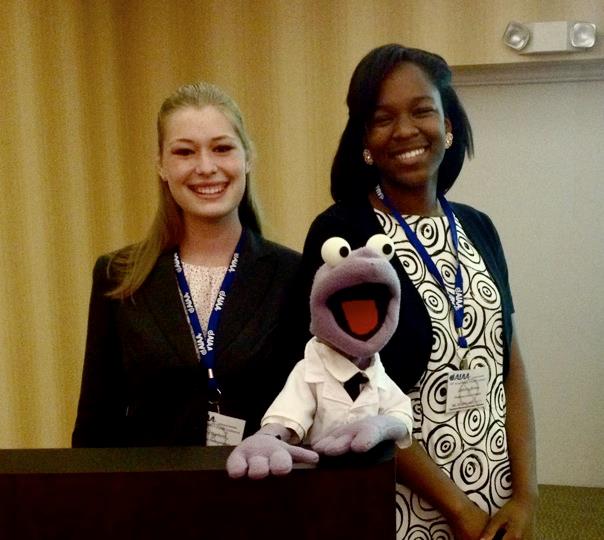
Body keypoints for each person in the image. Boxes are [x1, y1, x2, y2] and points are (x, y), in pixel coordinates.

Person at [297, 44, 537, 539]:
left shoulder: (479, 227)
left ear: (449, 126)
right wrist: (456, 509)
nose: (405, 129)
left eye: (422, 110)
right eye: (383, 118)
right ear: (365, 139)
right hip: (398, 504)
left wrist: (526, 496)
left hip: (495, 500)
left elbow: (509, 365)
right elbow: (351, 395)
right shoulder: (342, 236)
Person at [72, 82, 300, 448]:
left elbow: (311, 411)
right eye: (185, 152)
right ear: (161, 164)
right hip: (152, 498)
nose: (206, 167)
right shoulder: (118, 275)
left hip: (264, 494)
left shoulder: (295, 275)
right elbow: (97, 422)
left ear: (247, 158)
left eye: (222, 148)